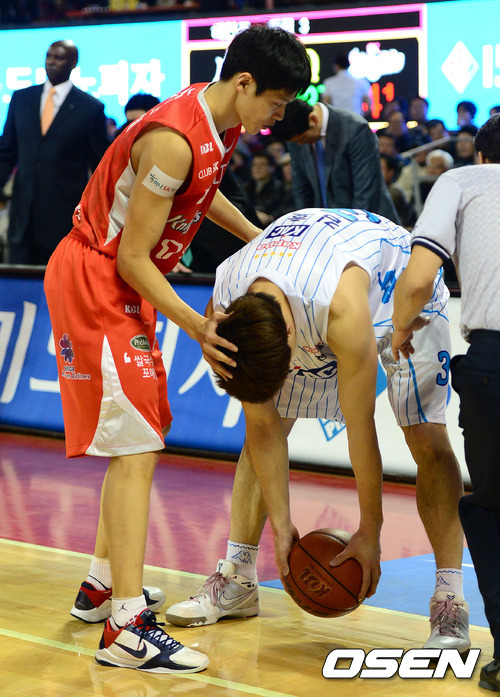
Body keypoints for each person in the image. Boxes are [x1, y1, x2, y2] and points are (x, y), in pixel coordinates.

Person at [43, 25, 311, 674]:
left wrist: (258, 236)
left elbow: (203, 190)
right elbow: (133, 257)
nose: (278, 117)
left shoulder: (219, 119)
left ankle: (102, 585)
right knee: (137, 446)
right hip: (99, 276)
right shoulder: (172, 139)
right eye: (276, 103)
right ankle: (126, 627)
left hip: (123, 282)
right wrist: (197, 325)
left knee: (143, 432)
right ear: (244, 83)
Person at [165, 207, 470, 659]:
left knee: (426, 436)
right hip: (304, 273)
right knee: (260, 431)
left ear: (290, 335)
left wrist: (371, 529)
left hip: (397, 287)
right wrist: (282, 526)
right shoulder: (226, 307)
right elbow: (263, 427)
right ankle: (239, 576)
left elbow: (360, 428)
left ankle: (450, 597)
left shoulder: (341, 309)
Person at [391, 114, 500, 692]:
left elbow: (417, 279)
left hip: (494, 360)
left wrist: (399, 327)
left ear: (480, 154)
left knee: (493, 509)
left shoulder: (460, 180)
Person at [0, 40, 109, 265]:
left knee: (56, 281)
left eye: (58, 58)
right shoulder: (21, 98)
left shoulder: (90, 108)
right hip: (22, 216)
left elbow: (100, 164)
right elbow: (6, 153)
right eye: (48, 56)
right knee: (19, 281)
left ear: (73, 63)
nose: (51, 62)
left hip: (63, 218)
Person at [270, 99, 399, 223]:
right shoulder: (295, 132)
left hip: (368, 222)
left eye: (303, 139)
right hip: (325, 224)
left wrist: (349, 231)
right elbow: (301, 189)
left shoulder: (355, 128)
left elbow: (365, 192)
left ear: (313, 119)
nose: (300, 144)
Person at [321, 51, 370, 116]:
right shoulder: (362, 82)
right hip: (357, 119)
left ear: (336, 66)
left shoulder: (329, 83)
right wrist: (361, 118)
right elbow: (369, 107)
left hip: (338, 120)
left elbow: (326, 106)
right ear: (348, 64)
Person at [244, 150, 283, 227]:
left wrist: (270, 218)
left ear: (271, 168)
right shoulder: (246, 186)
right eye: (254, 164)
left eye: (262, 164)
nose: (257, 168)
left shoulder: (278, 187)